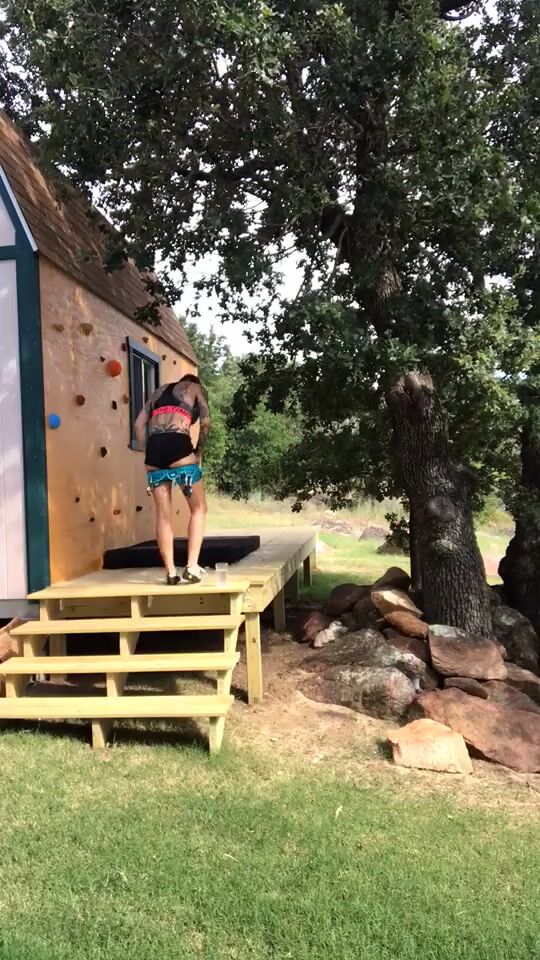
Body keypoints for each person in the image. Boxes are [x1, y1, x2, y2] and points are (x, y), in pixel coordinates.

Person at [134, 373, 210, 584]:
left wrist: (148, 452)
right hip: (179, 445)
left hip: (155, 451)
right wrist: (197, 452)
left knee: (163, 516)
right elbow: (205, 423)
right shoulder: (195, 388)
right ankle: (192, 567)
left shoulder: (158, 392)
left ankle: (170, 572)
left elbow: (138, 425)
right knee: (199, 509)